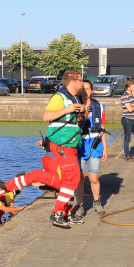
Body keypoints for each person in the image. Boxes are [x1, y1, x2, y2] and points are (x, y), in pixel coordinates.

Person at [42, 70, 85, 228]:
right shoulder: (59, 97)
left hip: (71, 143)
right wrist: (68, 109)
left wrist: (82, 112)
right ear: (72, 82)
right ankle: (57, 212)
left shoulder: (73, 98)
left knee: (72, 178)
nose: (83, 84)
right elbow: (46, 116)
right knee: (72, 178)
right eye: (80, 80)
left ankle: (66, 213)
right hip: (61, 143)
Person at [74, 80, 108, 217]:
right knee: (80, 177)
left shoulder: (99, 107)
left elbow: (102, 129)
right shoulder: (74, 106)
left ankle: (97, 201)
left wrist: (105, 148)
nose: (84, 91)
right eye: (82, 88)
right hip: (80, 143)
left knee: (93, 177)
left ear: (92, 91)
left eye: (87, 89)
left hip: (95, 142)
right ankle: (80, 206)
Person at [120, 80, 134, 161]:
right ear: (128, 88)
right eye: (133, 86)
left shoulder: (132, 96)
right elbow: (130, 109)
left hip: (133, 119)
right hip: (127, 119)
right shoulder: (125, 96)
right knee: (127, 138)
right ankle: (127, 155)